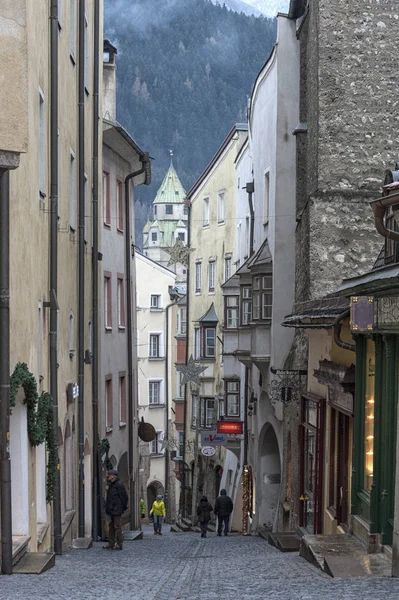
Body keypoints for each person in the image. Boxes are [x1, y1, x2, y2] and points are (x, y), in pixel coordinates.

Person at [103, 469, 128, 550]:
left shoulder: (119, 484)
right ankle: (111, 543)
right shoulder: (111, 484)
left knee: (117, 526)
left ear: (113, 476)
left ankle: (119, 544)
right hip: (111, 509)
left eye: (109, 475)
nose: (108, 476)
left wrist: (123, 507)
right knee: (111, 526)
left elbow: (124, 497)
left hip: (117, 509)